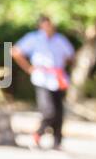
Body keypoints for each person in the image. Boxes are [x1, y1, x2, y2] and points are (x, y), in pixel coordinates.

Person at [11, 16, 76, 150]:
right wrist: (28, 67)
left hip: (58, 79)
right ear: (41, 26)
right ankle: (37, 135)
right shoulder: (34, 38)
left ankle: (57, 142)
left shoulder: (60, 39)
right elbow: (15, 51)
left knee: (59, 112)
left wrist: (63, 66)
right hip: (42, 78)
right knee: (48, 111)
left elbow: (70, 56)